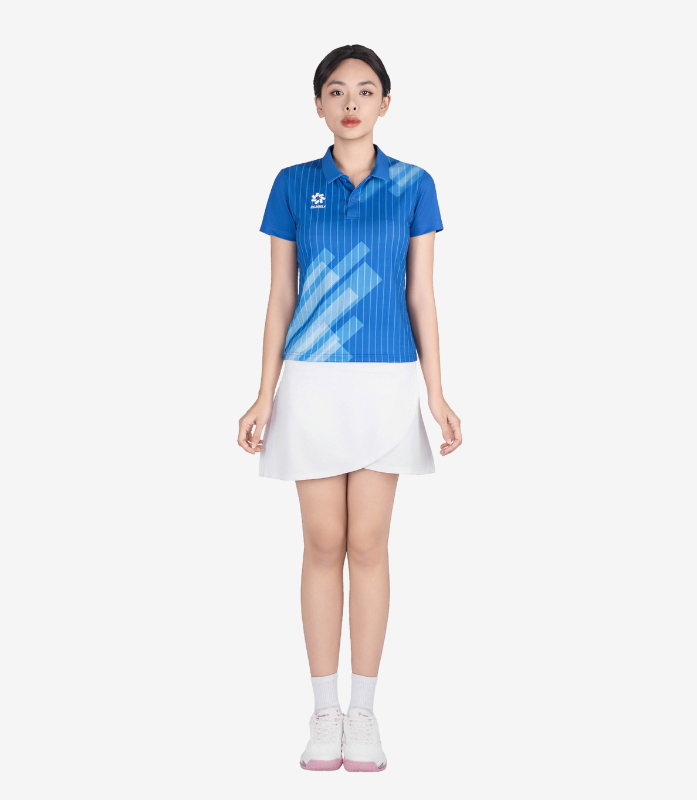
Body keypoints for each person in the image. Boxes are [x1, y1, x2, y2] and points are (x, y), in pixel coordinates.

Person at [238, 44, 462, 772]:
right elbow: (280, 296)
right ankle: (323, 710)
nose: (351, 103)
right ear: (318, 105)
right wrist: (263, 393)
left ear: (386, 103)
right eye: (336, 91)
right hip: (310, 380)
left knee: (368, 544)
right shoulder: (293, 184)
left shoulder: (414, 185)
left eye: (366, 90)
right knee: (321, 542)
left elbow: (421, 295)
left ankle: (363, 712)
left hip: (387, 378)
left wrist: (437, 393)